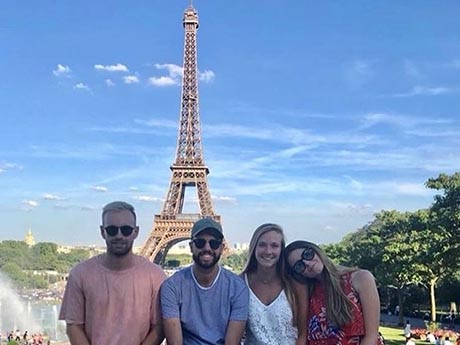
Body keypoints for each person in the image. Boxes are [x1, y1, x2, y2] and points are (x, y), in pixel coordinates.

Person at [59, 201, 166, 345]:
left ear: (136, 232)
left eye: (126, 230)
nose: (119, 235)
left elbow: (159, 327)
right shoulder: (79, 274)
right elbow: (73, 326)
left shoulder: (156, 276)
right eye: (112, 230)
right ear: (102, 231)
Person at [161, 217, 249, 345]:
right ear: (191, 247)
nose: (207, 248)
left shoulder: (238, 288)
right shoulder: (171, 286)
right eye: (200, 243)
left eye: (214, 243)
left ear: (222, 248)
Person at [284, 240, 383, 345]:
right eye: (299, 266)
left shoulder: (360, 278)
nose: (307, 263)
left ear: (316, 250)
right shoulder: (308, 293)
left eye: (307, 255)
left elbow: (371, 336)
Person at [240, 223, 307, 345]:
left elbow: (302, 334)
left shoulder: (295, 283)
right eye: (262, 245)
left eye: (274, 246)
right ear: (254, 247)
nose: (268, 251)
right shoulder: (240, 283)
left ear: (281, 250)